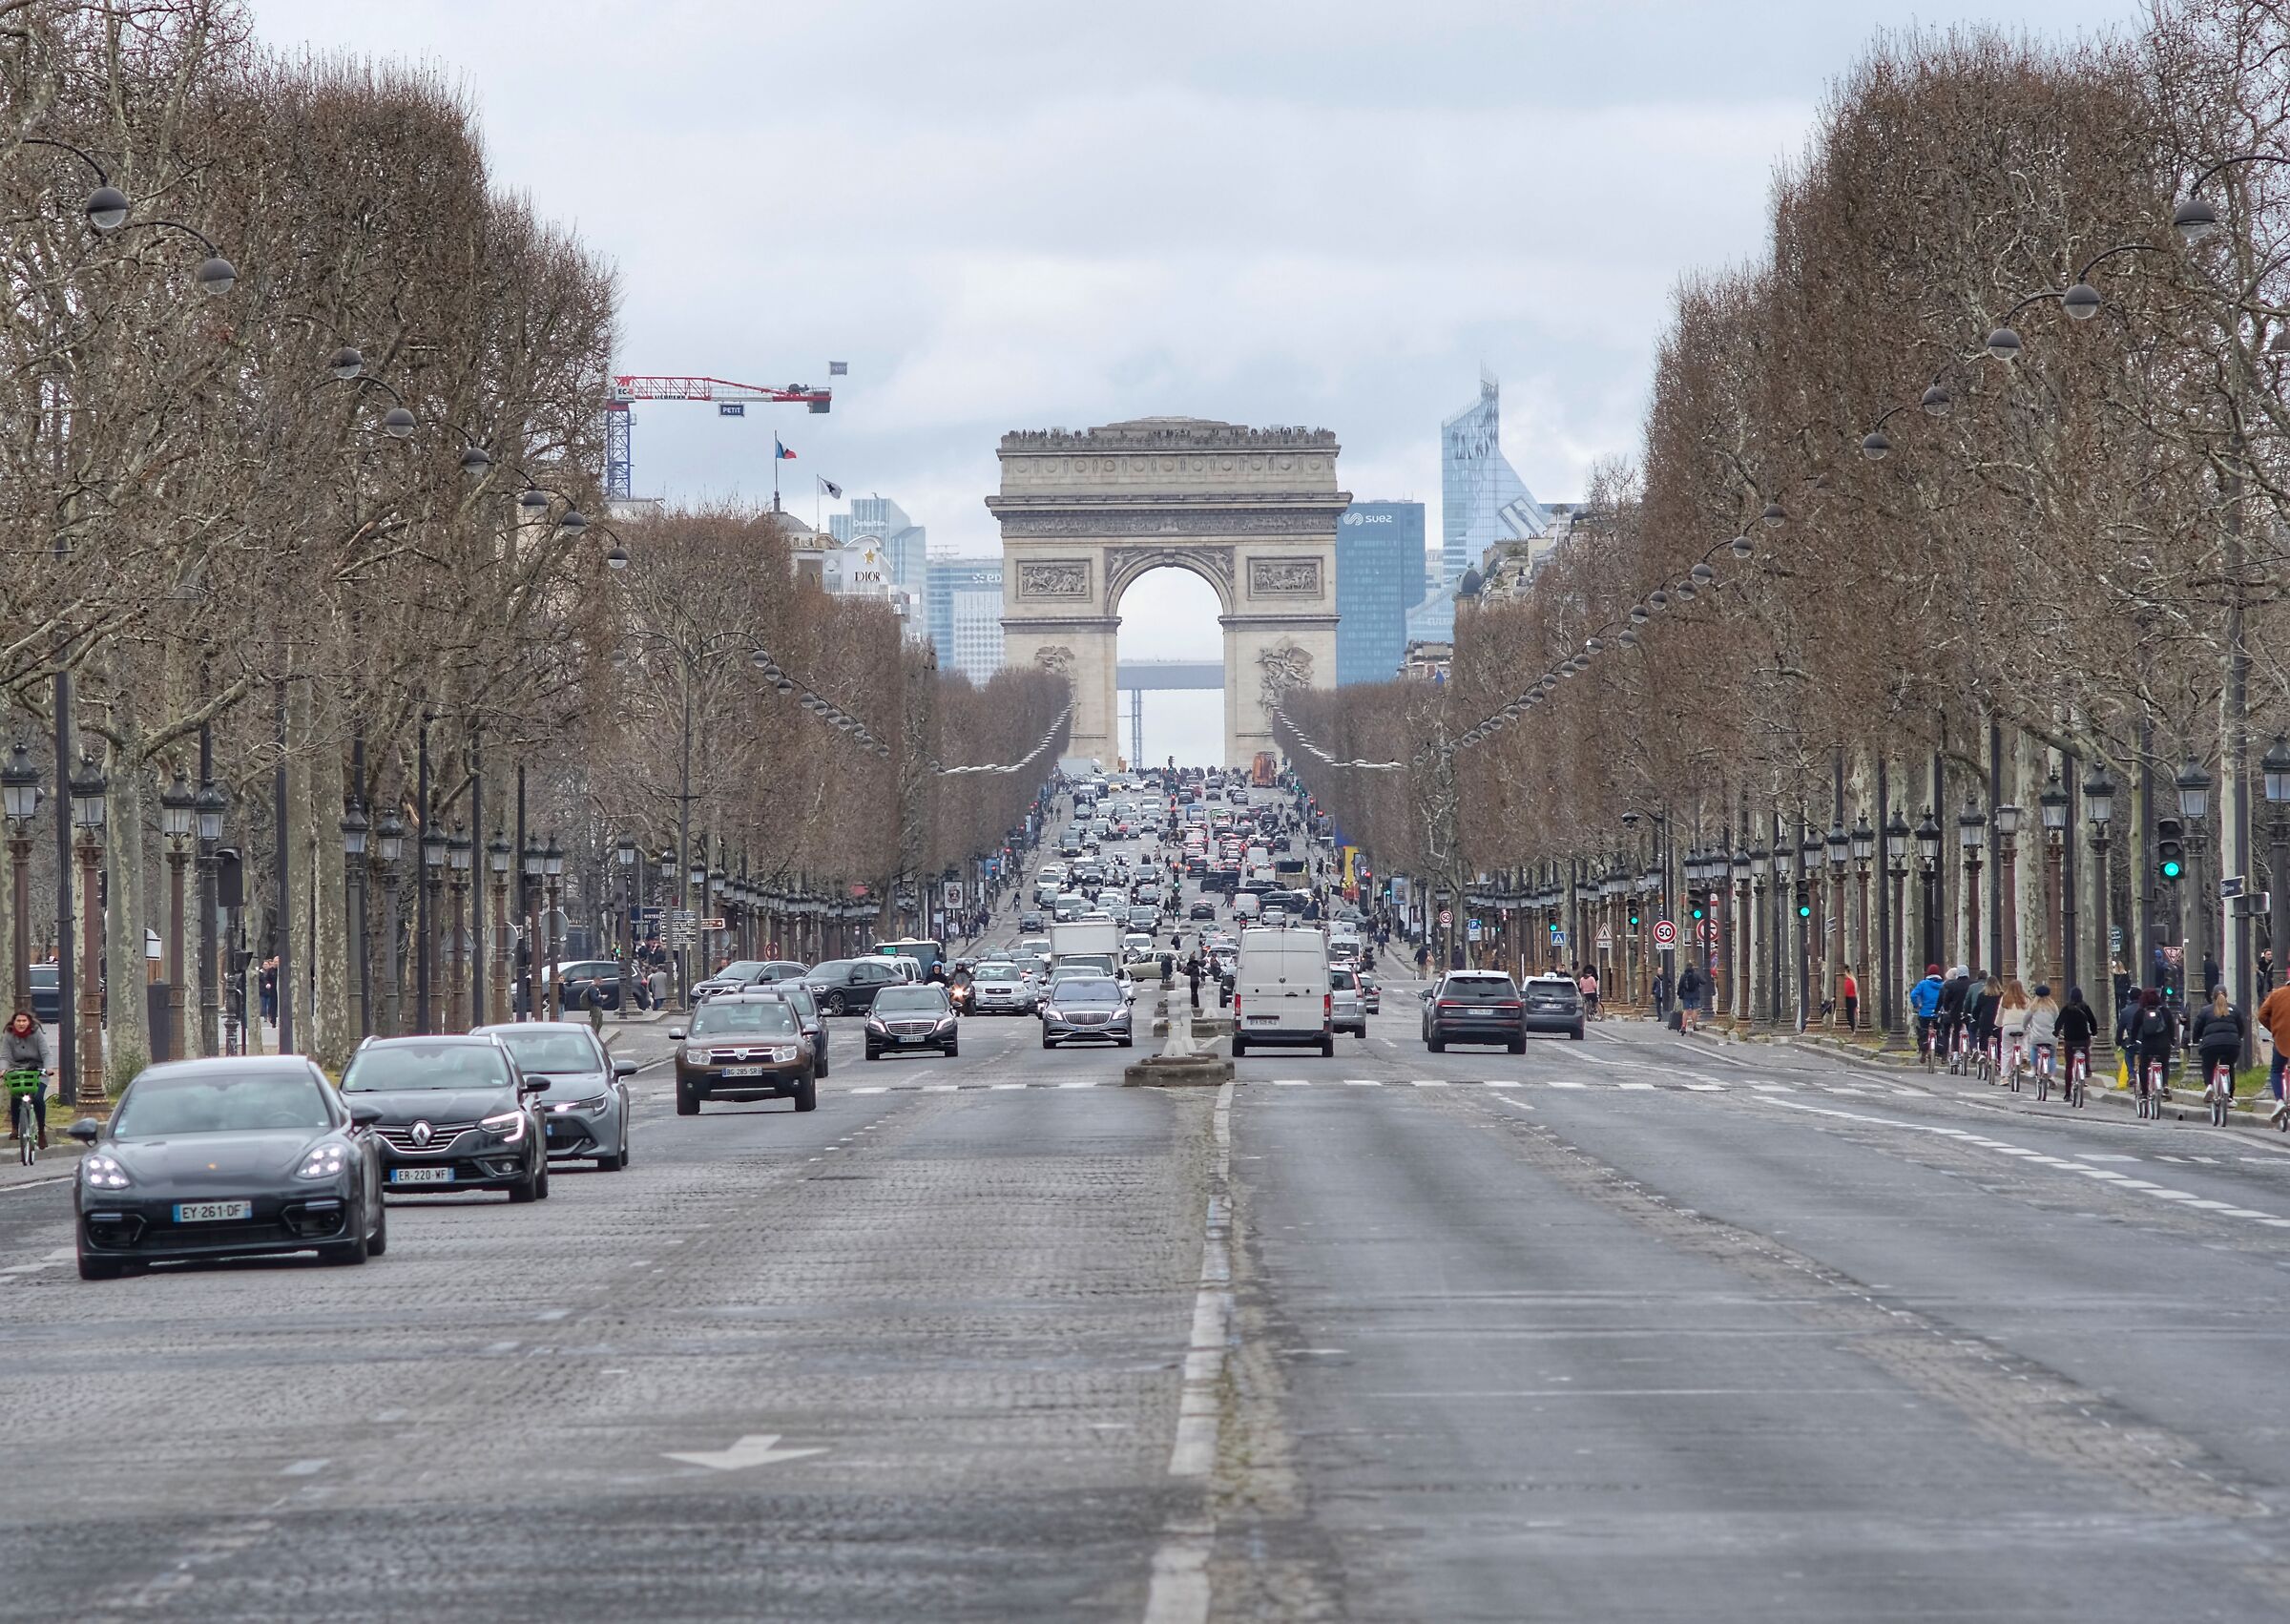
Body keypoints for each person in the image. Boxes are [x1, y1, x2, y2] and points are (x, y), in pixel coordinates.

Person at [2190, 985, 2247, 1102]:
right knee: (2228, 1067)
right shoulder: (2235, 1010)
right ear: (2227, 995)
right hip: (2232, 1045)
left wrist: (2195, 1040)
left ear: (2212, 996)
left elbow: (2197, 1028)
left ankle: (2210, 1085)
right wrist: (2238, 1038)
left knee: (2208, 1065)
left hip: (2211, 1045)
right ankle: (2230, 1096)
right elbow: (2241, 1028)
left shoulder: (2205, 1010)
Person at [4, 1010, 50, 1151]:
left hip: (37, 1072)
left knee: (37, 1098)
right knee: (16, 1095)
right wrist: (3, 1069)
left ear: (29, 1022)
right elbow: (4, 1056)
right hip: (17, 1071)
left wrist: (48, 1069)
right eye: (18, 1021)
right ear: (14, 1022)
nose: (21, 1023)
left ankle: (41, 1132)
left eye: (24, 1021)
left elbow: (46, 1054)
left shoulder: (37, 1034)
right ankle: (15, 1128)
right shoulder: (8, 1035)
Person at [2130, 987, 2177, 1102]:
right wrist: (2172, 1041)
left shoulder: (2140, 1013)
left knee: (2144, 1067)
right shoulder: (2165, 1011)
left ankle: (2145, 1093)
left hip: (2147, 1045)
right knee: (2164, 1064)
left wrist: (2131, 1042)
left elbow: (2134, 1031)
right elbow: (2171, 1028)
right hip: (2163, 1045)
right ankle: (2165, 1084)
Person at [2258, 975, 2290, 1125]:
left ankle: (2280, 1101)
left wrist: (2274, 1029)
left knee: (2276, 1070)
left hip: (2282, 1041)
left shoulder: (2276, 995)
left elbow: (2262, 1014)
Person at [2055, 986, 2099, 1086]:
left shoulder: (2066, 1008)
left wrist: (2056, 1032)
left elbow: (2059, 1022)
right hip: (2083, 1038)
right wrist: (2094, 1032)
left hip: (2070, 1040)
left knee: (2069, 1066)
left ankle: (2067, 1093)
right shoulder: (2085, 1006)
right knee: (2086, 1049)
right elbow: (2092, 1021)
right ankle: (2087, 1067)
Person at [1996, 979, 2031, 1081]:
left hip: (2008, 1026)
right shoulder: (2026, 999)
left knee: (2006, 1051)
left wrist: (1998, 1024)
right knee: (2024, 1038)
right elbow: (2029, 1015)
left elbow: (2000, 1013)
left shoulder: (2005, 998)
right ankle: (2024, 1053)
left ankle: (2005, 1076)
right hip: (2022, 1026)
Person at [1908, 964, 1946, 1054]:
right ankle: (1940, 1049)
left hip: (1925, 1013)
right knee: (1940, 1030)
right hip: (1939, 1013)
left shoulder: (1923, 984)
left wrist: (1917, 1005)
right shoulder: (1943, 985)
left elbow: (1913, 995)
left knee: (1923, 1030)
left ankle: (1923, 1049)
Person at [1936, 965, 1972, 1058]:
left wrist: (1947, 1008)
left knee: (1956, 1031)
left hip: (1955, 1012)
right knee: (1971, 1030)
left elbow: (1946, 999)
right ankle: (1972, 1049)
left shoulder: (1952, 985)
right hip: (1968, 1012)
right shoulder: (1971, 984)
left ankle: (1954, 1052)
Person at [1676, 963, 1703, 1031]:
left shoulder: (1683, 976)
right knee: (1694, 1010)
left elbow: (1680, 985)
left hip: (1686, 995)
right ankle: (1694, 1026)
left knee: (1686, 1010)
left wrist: (1679, 993)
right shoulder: (1696, 975)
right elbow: (1703, 982)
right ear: (1692, 967)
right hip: (1695, 995)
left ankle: (1684, 1026)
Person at [1840, 965, 1860, 1032]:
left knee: (1849, 1016)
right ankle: (1852, 1029)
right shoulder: (1852, 980)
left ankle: (1851, 1029)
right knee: (1850, 1015)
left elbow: (1845, 991)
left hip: (1849, 1000)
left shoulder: (1848, 981)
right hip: (1852, 999)